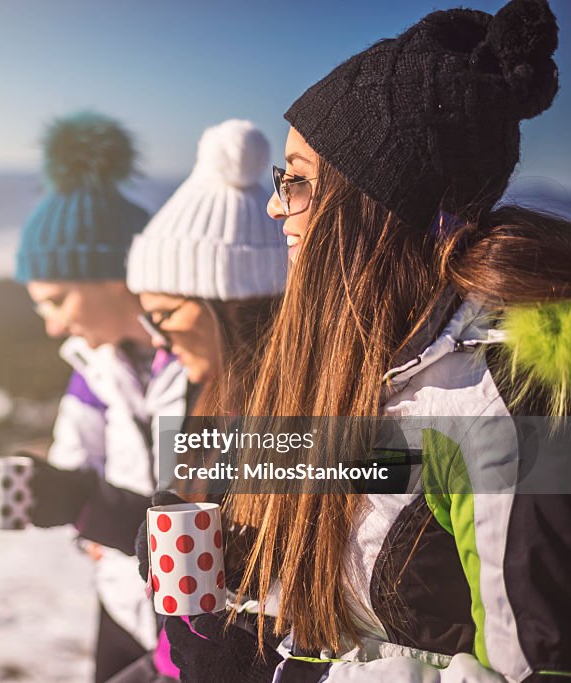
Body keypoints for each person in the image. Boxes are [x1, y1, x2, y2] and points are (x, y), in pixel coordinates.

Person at [162, 0, 571, 681]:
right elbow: (353, 620)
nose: (275, 204)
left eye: (297, 180)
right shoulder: (382, 363)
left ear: (375, 208)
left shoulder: (500, 402)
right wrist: (236, 595)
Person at [108, 119, 287, 682]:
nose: (157, 338)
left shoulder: (293, 418)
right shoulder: (202, 392)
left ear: (226, 303)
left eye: (164, 316)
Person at [13, 110, 189, 683]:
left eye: (58, 300)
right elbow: (74, 464)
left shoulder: (206, 366)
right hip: (121, 602)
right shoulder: (93, 370)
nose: (52, 326)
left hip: (197, 615)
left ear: (116, 275)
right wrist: (62, 503)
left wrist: (87, 508)